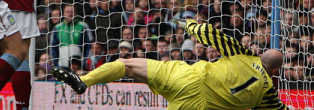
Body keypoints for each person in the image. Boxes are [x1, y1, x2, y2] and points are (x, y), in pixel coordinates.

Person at [53, 19, 288, 110]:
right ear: (275, 72)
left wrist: (189, 24)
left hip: (186, 74)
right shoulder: (267, 94)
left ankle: (83, 81)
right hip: (198, 106)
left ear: (260, 54)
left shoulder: (244, 54)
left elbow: (211, 34)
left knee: (126, 64)